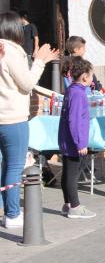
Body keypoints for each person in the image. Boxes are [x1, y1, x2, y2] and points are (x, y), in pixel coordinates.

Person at [0, 11, 59, 228]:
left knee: (3, 166)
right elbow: (26, 84)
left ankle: (6, 210)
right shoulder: (12, 52)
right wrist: (40, 61)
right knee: (14, 166)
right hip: (13, 119)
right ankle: (13, 214)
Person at [58, 56, 97, 219]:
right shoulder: (78, 94)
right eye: (92, 75)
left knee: (67, 172)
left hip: (67, 139)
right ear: (85, 76)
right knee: (72, 175)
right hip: (73, 141)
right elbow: (74, 120)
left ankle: (68, 204)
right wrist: (80, 143)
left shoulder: (72, 90)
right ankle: (75, 206)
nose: (93, 78)